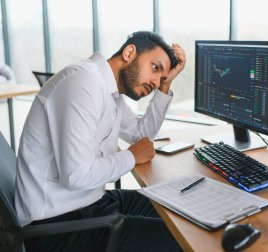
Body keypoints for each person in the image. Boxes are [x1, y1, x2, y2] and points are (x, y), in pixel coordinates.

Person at [15, 31, 186, 252]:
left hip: (90, 204)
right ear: (129, 52)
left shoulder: (110, 91)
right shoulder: (83, 82)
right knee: (179, 239)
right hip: (59, 226)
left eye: (161, 77)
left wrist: (165, 86)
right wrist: (131, 156)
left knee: (176, 211)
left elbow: (140, 135)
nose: (155, 81)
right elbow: (76, 176)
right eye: (155, 68)